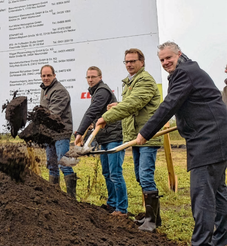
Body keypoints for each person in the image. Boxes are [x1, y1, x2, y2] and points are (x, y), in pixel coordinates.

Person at [136, 41, 227, 246]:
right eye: (162, 60)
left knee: (202, 195)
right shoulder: (190, 70)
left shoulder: (184, 72)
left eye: (169, 57)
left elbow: (169, 103)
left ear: (179, 54)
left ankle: (202, 243)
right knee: (218, 192)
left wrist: (145, 132)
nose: (166, 62)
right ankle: (221, 239)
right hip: (216, 138)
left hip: (209, 141)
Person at [96, 48, 162, 231]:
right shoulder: (130, 82)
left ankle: (152, 221)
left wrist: (107, 117)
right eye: (126, 62)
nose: (129, 64)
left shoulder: (146, 80)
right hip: (136, 137)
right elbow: (132, 103)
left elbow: (134, 103)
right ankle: (154, 217)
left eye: (133, 61)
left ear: (142, 62)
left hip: (147, 135)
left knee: (146, 177)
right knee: (141, 177)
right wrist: (119, 105)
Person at [74, 66, 127, 217]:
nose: (90, 80)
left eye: (93, 77)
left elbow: (92, 111)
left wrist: (79, 132)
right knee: (107, 172)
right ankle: (112, 204)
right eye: (88, 77)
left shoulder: (102, 91)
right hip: (104, 137)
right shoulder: (96, 91)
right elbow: (98, 115)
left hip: (114, 136)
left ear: (100, 77)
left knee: (115, 173)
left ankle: (122, 209)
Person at [39, 64, 77, 199]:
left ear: (54, 76)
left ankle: (71, 198)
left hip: (61, 133)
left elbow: (53, 114)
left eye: (49, 75)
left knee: (64, 163)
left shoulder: (59, 91)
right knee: (51, 165)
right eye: (43, 75)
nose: (46, 78)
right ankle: (55, 199)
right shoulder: (45, 90)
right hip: (49, 133)